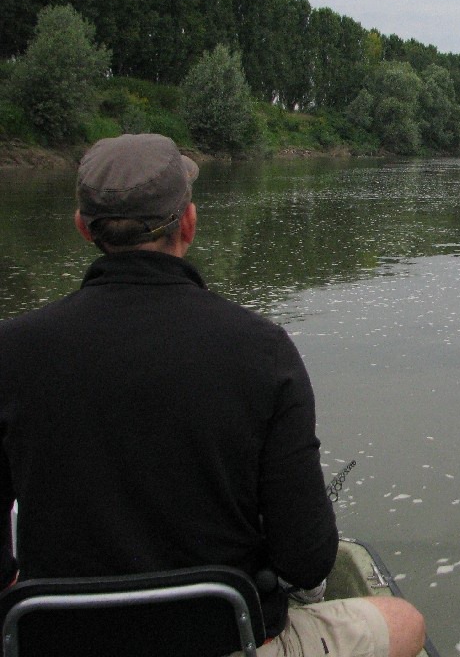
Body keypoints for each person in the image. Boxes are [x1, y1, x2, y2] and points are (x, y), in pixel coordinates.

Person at [0, 134, 425, 657]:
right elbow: (308, 560)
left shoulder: (11, 350)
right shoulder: (262, 350)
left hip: (58, 641)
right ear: (189, 223)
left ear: (83, 227)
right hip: (228, 639)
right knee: (403, 622)